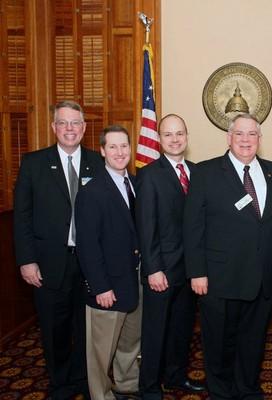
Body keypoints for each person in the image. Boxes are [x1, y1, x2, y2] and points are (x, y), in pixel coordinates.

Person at [183, 113, 272, 400]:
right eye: (239, 134)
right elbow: (193, 227)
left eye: (252, 134)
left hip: (263, 276)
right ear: (228, 137)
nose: (245, 139)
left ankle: (247, 388)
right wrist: (197, 272)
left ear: (259, 139)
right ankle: (220, 391)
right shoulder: (205, 172)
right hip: (218, 277)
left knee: (253, 340)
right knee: (219, 342)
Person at [13, 100, 103, 400]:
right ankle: (60, 384)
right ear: (53, 127)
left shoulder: (99, 163)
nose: (69, 129)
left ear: (84, 128)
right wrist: (27, 260)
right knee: (54, 329)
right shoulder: (33, 163)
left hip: (90, 264)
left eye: (75, 123)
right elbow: (22, 217)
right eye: (63, 123)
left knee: (87, 328)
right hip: (50, 263)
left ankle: (82, 379)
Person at [135, 114, 205, 399]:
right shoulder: (149, 174)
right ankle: (149, 386)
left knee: (181, 330)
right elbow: (146, 225)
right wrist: (153, 269)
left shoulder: (199, 172)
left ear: (187, 137)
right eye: (168, 134)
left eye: (179, 133)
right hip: (161, 270)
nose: (175, 139)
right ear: (159, 139)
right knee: (155, 332)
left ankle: (175, 377)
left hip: (191, 271)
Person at [75, 125, 141, 400]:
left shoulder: (136, 184)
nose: (119, 152)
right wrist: (100, 287)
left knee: (130, 343)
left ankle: (127, 384)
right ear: (102, 151)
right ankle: (101, 395)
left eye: (124, 146)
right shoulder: (92, 192)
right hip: (108, 288)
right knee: (100, 351)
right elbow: (87, 246)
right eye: (112, 147)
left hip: (135, 281)